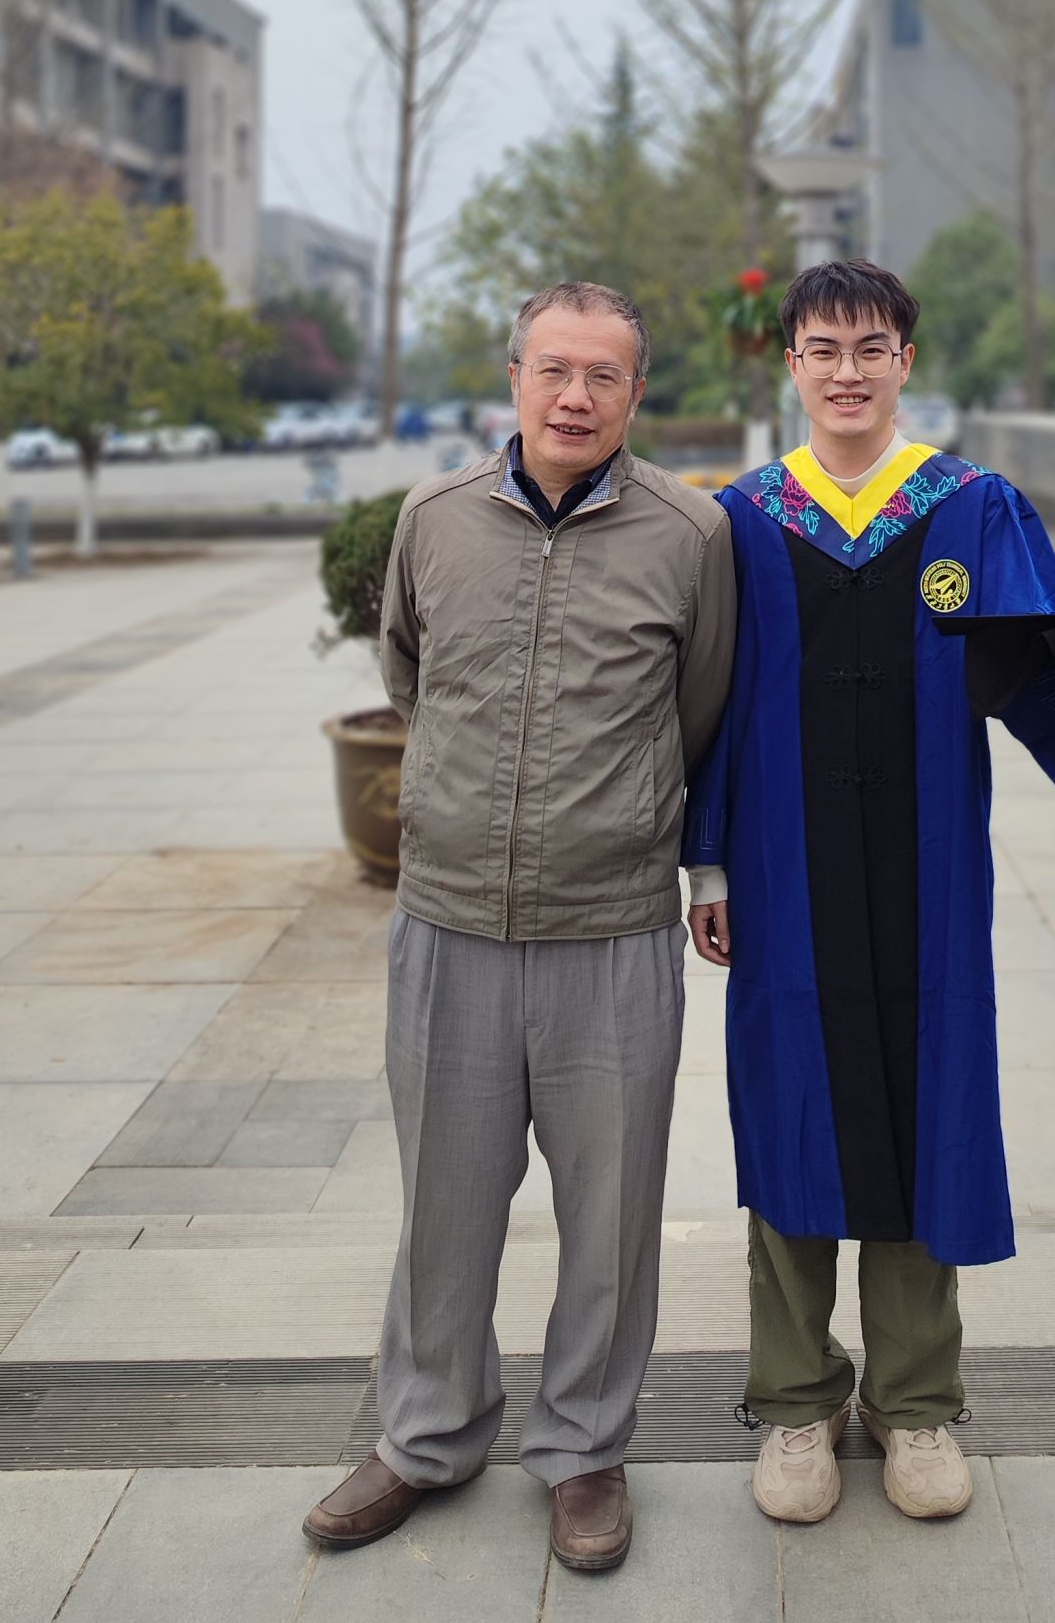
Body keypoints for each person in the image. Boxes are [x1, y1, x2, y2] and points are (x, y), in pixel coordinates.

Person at [682, 258, 1055, 1526]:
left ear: (904, 361)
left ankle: (915, 1402)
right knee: (790, 1110)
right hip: (782, 875)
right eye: (822, 349)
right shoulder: (741, 520)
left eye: (870, 348)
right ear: (790, 363)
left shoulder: (971, 507)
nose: (846, 372)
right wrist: (708, 862)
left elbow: (1027, 673)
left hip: (928, 877)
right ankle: (793, 1401)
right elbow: (707, 702)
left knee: (921, 1106)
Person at [303, 281, 736, 1575]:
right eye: (554, 368)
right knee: (443, 1201)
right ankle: (425, 1433)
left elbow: (701, 707)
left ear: (636, 393)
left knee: (612, 1211)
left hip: (611, 928)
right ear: (514, 377)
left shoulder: (691, 533)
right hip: (449, 922)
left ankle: (585, 1446)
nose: (575, 397)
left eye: (604, 375)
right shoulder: (433, 519)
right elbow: (410, 675)